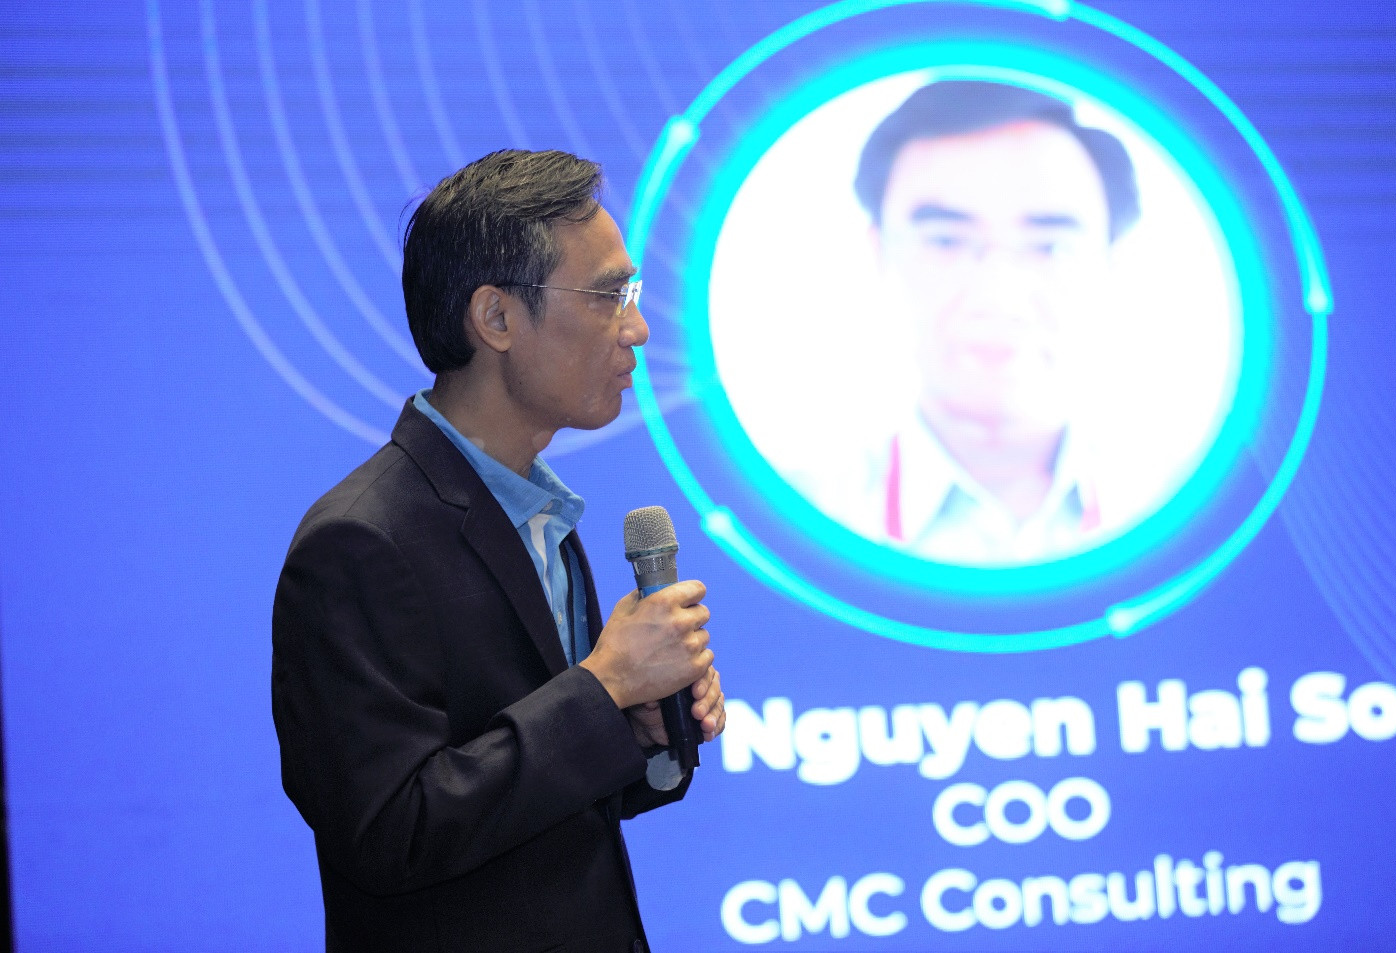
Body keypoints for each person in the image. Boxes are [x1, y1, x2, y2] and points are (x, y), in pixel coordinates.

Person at [271, 149, 726, 953]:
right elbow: (389, 832)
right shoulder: (359, 542)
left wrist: (638, 729)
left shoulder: (542, 514)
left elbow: (532, 809)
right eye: (608, 295)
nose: (638, 328)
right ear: (497, 318)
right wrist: (603, 688)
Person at [804, 80, 1143, 566]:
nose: (997, 296)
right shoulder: (795, 518)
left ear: (1109, 262)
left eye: (1051, 247)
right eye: (945, 241)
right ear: (879, 252)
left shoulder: (1193, 514)